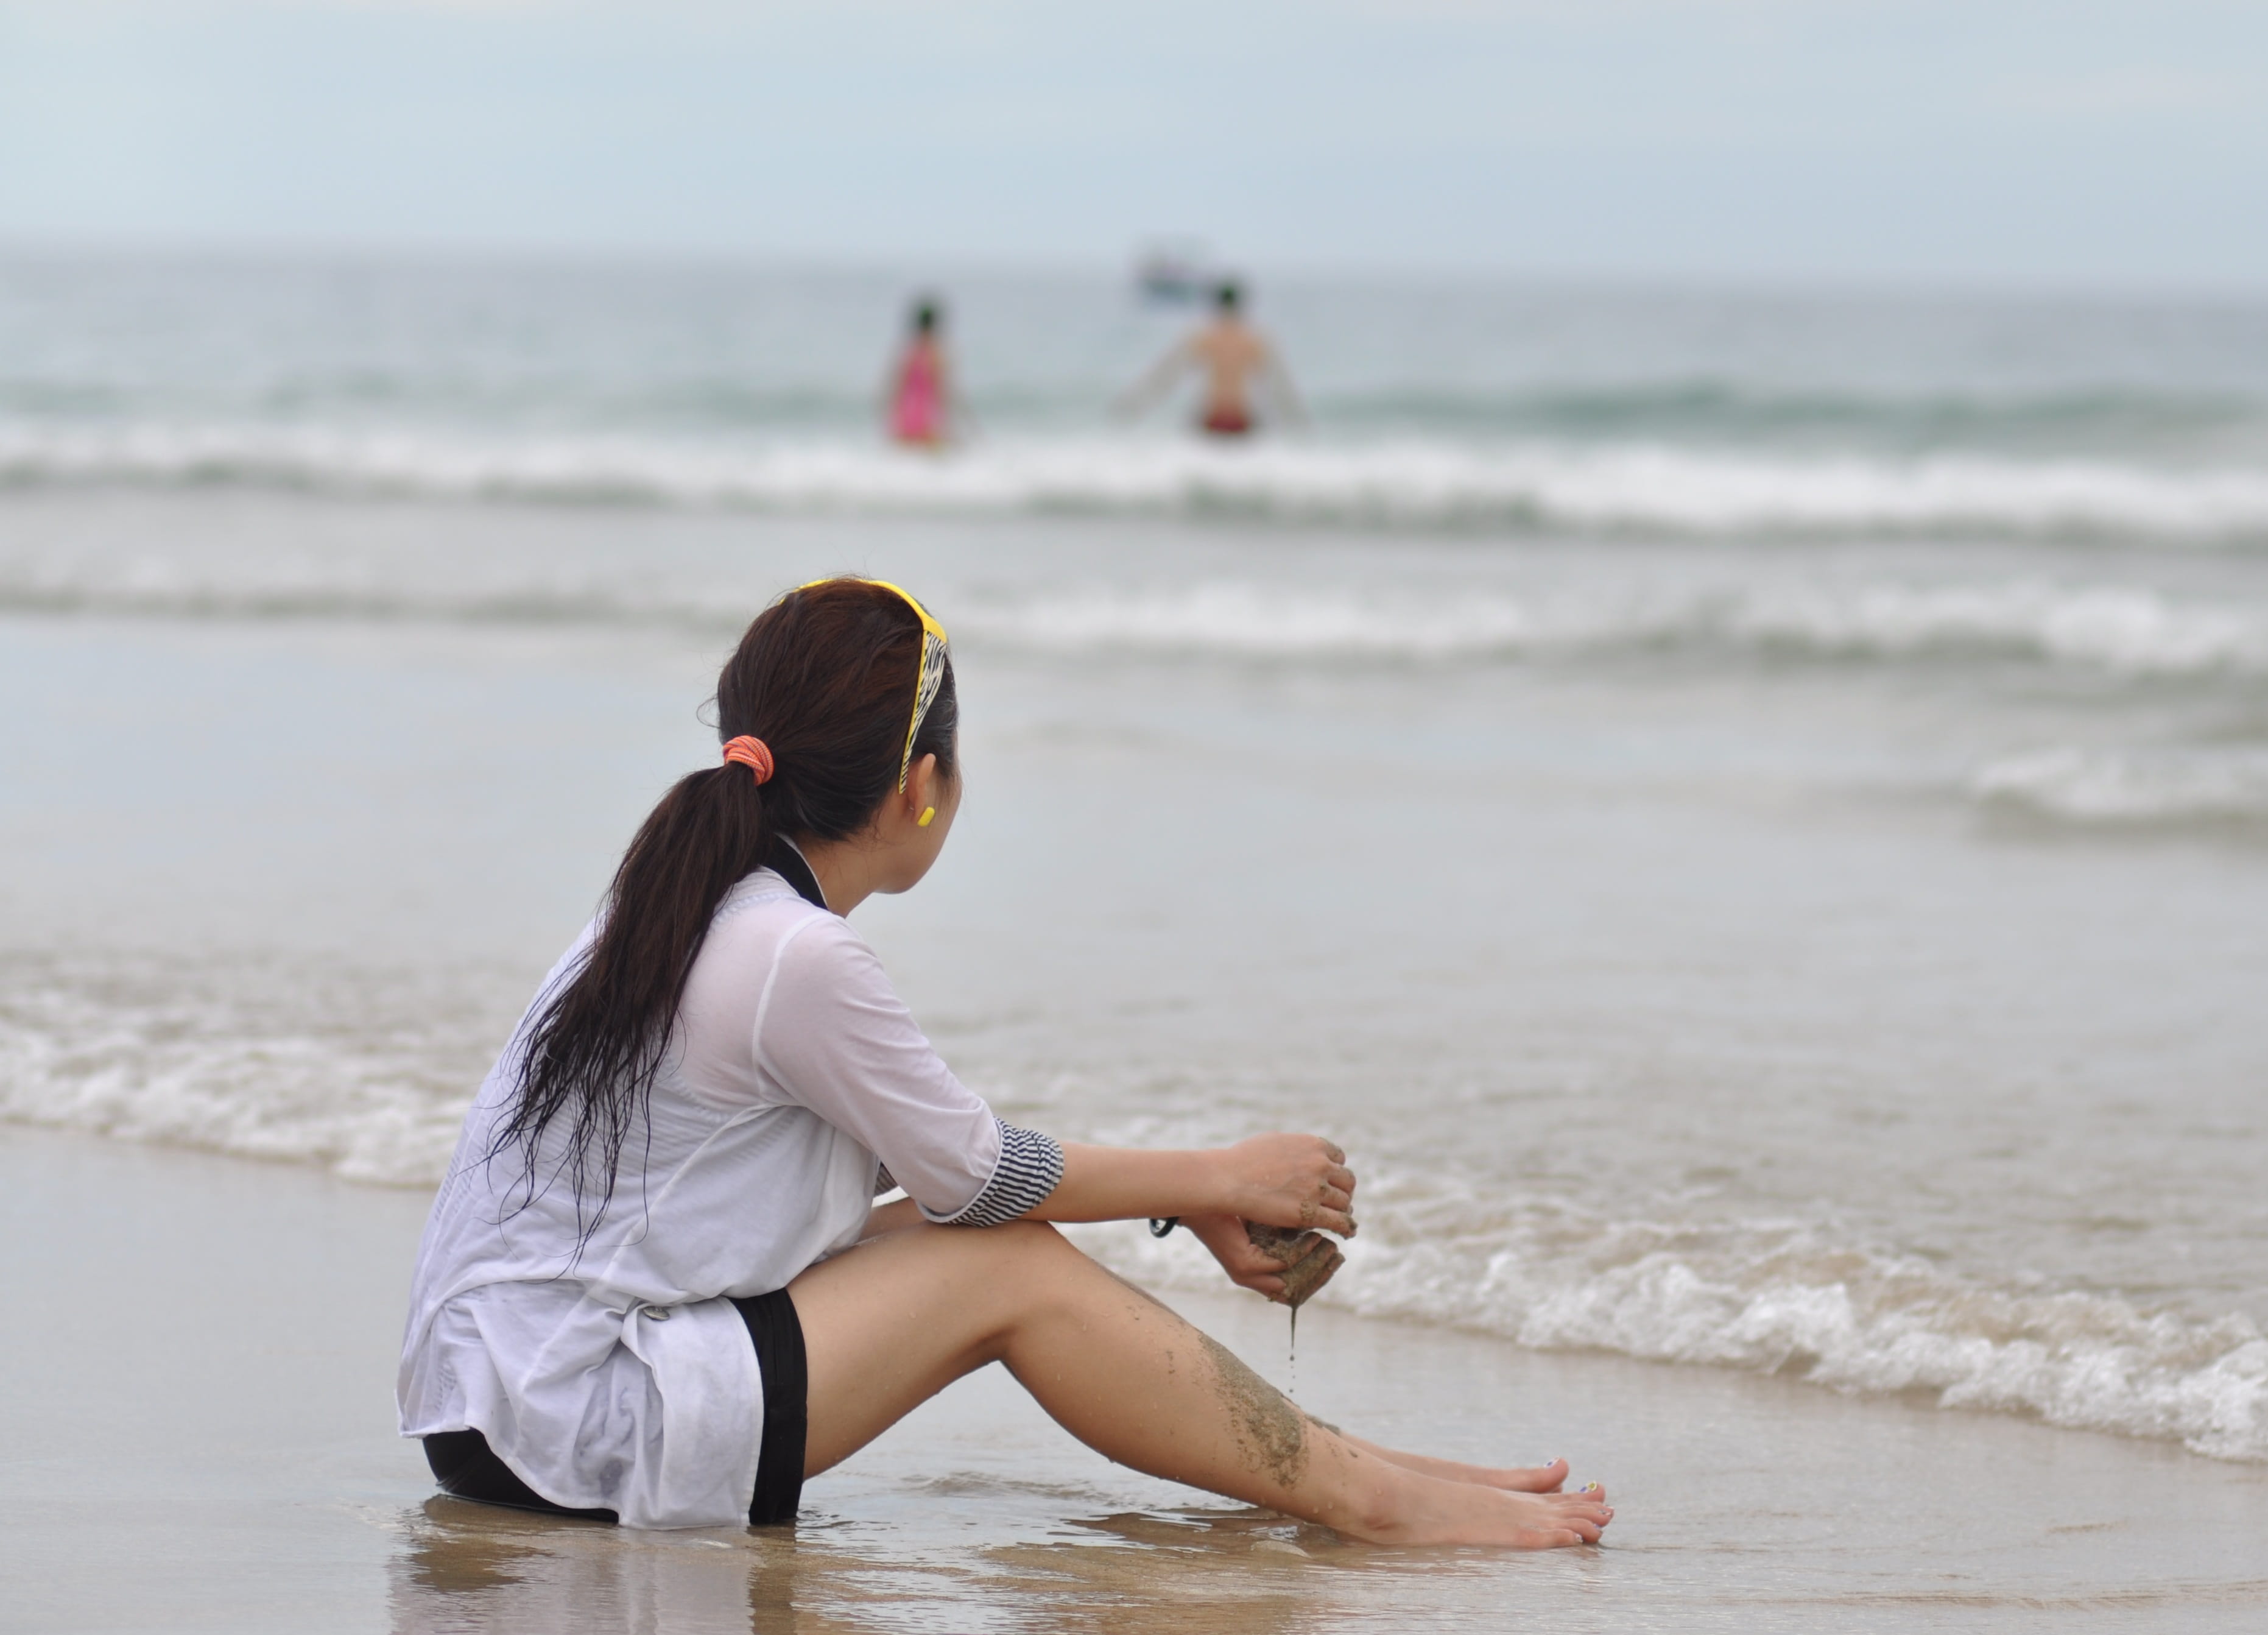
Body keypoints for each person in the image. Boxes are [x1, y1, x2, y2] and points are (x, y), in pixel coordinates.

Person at [398, 576, 1614, 1546]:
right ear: (922, 785)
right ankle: (1371, 1497)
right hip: (578, 1417)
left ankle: (1346, 1462)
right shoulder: (789, 952)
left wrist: (1187, 1200)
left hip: (502, 1400)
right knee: (1007, 1269)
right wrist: (1223, 1176)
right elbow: (976, 1179)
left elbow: (926, 1174)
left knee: (985, 1248)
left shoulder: (693, 907)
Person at [1118, 280, 1305, 439]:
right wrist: (1296, 421)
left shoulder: (1204, 339)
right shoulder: (1255, 341)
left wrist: (1135, 405)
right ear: (1240, 305)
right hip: (1242, 420)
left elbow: (1167, 377)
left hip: (1212, 418)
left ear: (1216, 305)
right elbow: (1279, 387)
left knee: (1191, 425)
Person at [882, 296, 962, 448]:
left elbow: (897, 387)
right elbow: (943, 391)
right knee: (930, 464)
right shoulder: (938, 353)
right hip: (928, 415)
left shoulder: (908, 350)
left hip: (907, 413)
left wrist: (892, 415)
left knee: (907, 464)